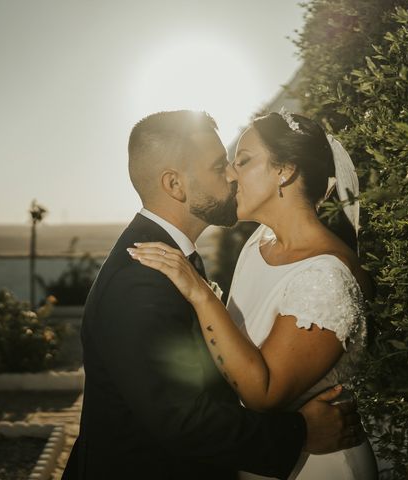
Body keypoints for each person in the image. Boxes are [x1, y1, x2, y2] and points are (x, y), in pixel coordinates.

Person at [62, 110, 364, 480]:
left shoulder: (172, 259)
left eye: (240, 162)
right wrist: (300, 433)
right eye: (220, 166)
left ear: (285, 170)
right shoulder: (142, 280)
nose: (232, 176)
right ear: (175, 185)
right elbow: (185, 421)